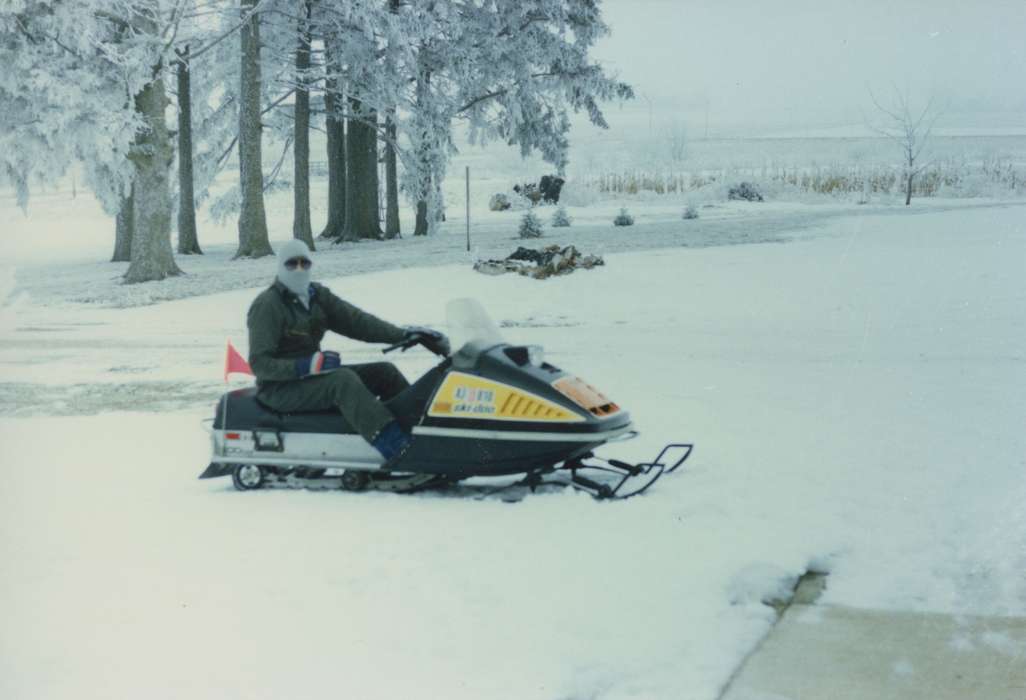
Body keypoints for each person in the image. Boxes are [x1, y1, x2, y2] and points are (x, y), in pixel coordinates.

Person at [247, 239, 449, 462]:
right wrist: (306, 366)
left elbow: (357, 322)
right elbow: (260, 364)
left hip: (311, 377)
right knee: (342, 381)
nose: (299, 269)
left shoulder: (316, 296)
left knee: (384, 372)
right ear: (280, 267)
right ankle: (398, 450)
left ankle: (422, 433)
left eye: (305, 263)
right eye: (291, 264)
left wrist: (403, 334)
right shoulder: (268, 305)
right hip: (279, 389)